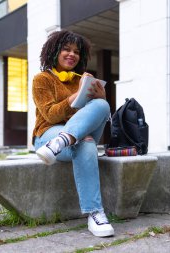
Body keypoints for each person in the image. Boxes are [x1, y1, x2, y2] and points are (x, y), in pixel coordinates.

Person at [32, 30, 114, 237]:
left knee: (102, 104)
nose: (72, 55)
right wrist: (75, 96)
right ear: (54, 51)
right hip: (47, 136)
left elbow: (98, 116)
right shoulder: (42, 79)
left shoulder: (83, 79)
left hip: (64, 142)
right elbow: (50, 115)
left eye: (76, 51)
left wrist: (100, 97)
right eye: (66, 49)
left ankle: (64, 140)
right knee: (86, 144)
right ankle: (95, 213)